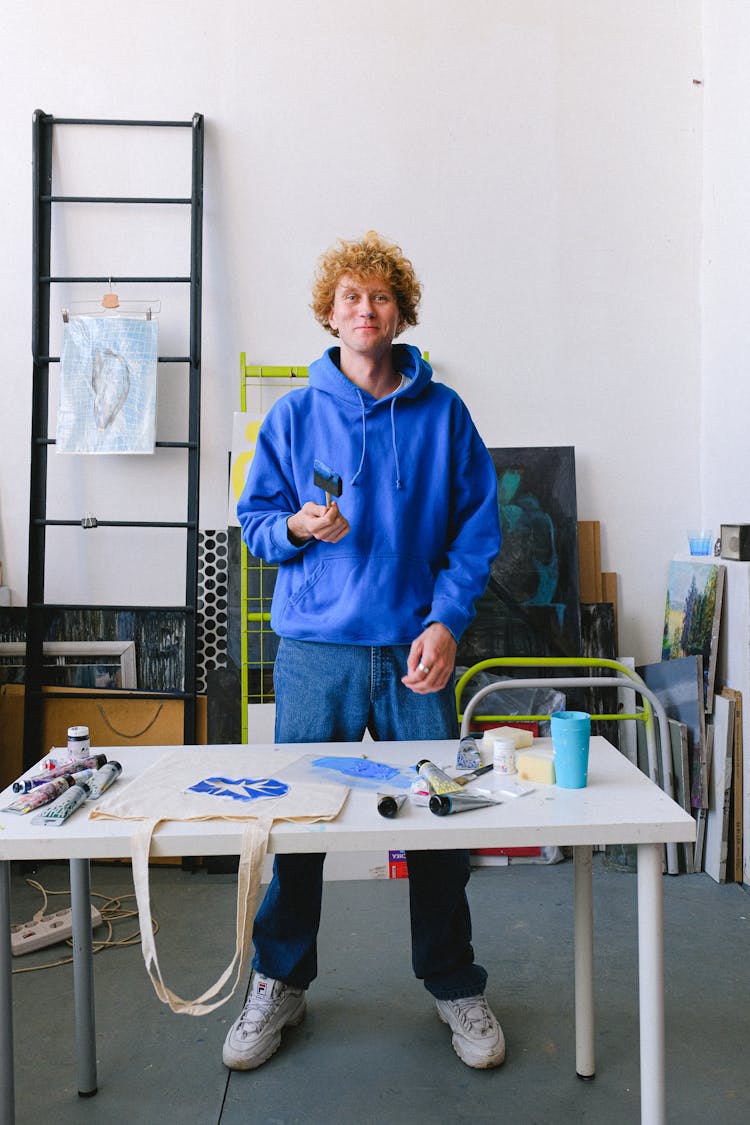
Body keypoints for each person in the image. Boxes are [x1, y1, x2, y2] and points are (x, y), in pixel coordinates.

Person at [228, 230, 503, 1072]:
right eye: (351, 295)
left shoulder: (444, 412)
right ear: (331, 311)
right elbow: (256, 523)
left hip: (414, 650)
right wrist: (299, 526)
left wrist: (447, 621)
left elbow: (477, 530)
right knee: (298, 828)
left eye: (380, 295)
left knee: (437, 831)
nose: (365, 308)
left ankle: (454, 982)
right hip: (316, 651)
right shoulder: (295, 414)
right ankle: (279, 981)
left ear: (400, 312)